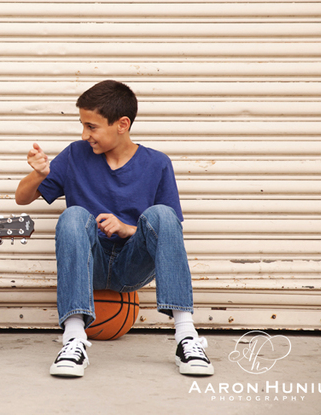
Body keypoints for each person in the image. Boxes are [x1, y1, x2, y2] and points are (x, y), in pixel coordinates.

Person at [15, 80, 213, 378]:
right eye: (82, 125)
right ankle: (73, 339)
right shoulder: (75, 154)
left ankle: (187, 337)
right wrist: (39, 173)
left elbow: (168, 231)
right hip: (91, 263)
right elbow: (22, 198)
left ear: (122, 124)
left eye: (91, 127)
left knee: (163, 214)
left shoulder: (157, 163)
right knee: (73, 214)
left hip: (131, 266)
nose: (84, 135)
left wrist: (127, 229)